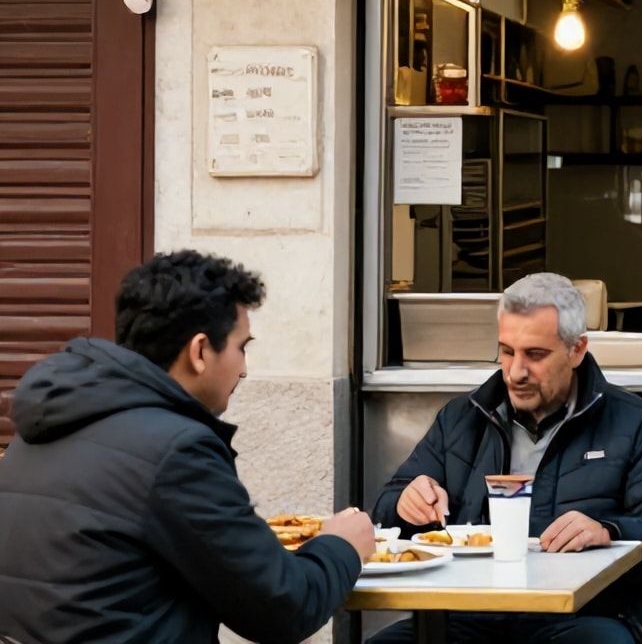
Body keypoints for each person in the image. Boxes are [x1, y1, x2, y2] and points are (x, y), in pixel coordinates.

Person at [0, 250, 375, 644]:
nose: (244, 368)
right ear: (199, 352)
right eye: (241, 347)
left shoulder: (40, 428)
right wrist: (342, 546)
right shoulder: (176, 450)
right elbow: (284, 606)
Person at [371, 273, 642, 644]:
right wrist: (405, 503)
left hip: (584, 616)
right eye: (507, 351)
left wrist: (609, 531)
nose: (516, 372)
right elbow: (384, 513)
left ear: (577, 350)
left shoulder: (633, 421)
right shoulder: (461, 418)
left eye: (535, 355)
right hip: (467, 614)